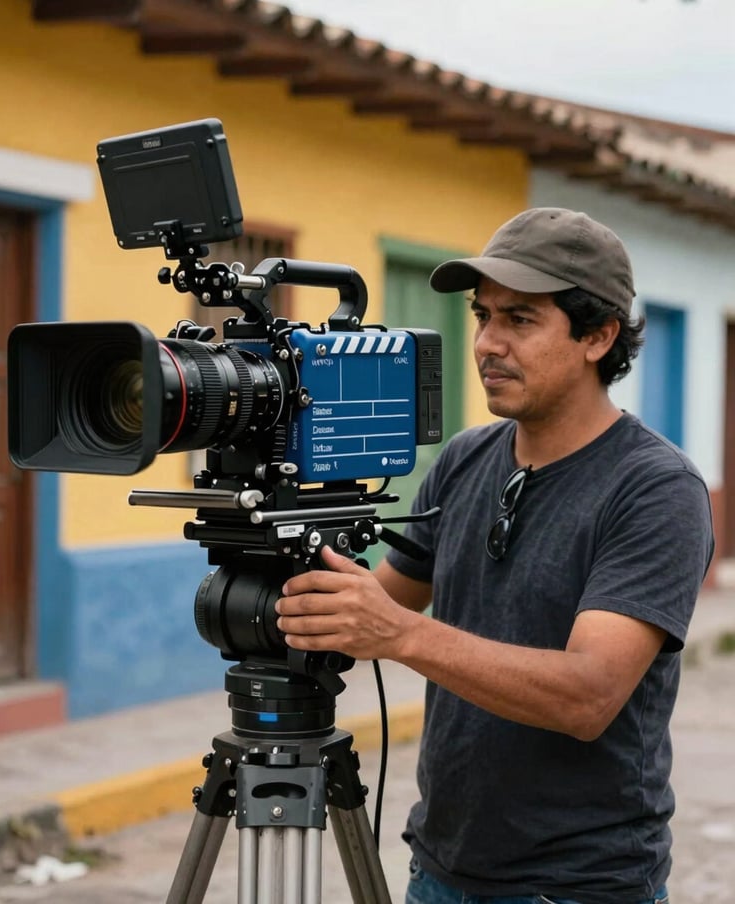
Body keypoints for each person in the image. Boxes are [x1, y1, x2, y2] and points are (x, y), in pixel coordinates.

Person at [275, 207, 714, 904]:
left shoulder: (656, 489)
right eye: (483, 316)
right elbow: (380, 605)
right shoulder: (465, 458)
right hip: (440, 871)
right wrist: (293, 551)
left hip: (577, 887)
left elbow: (588, 695)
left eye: (520, 319)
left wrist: (401, 635)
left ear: (598, 336)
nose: (486, 343)